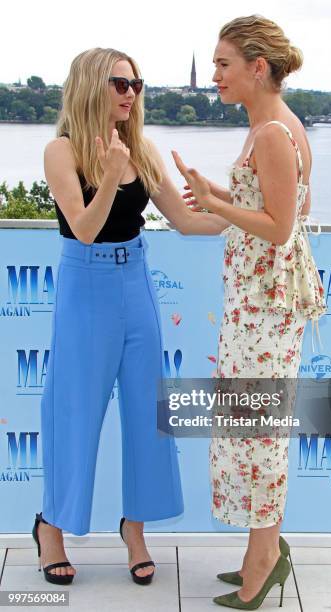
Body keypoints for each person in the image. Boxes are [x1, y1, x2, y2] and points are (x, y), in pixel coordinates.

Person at [33, 47, 230, 587]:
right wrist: (110, 175)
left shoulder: (140, 149)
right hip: (86, 285)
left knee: (148, 415)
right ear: (92, 85)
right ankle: (51, 528)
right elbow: (85, 228)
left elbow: (189, 222)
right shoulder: (61, 150)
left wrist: (256, 219)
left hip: (136, 284)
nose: (130, 93)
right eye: (120, 83)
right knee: (74, 412)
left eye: (136, 84)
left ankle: (134, 530)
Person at [171, 14, 327, 610]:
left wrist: (215, 199)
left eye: (223, 64)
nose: (214, 76)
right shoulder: (272, 125)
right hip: (257, 303)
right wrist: (213, 196)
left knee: (260, 432)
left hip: (265, 308)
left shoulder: (270, 132)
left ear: (257, 67)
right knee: (252, 426)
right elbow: (259, 207)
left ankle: (265, 558)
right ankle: (260, 551)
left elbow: (279, 227)